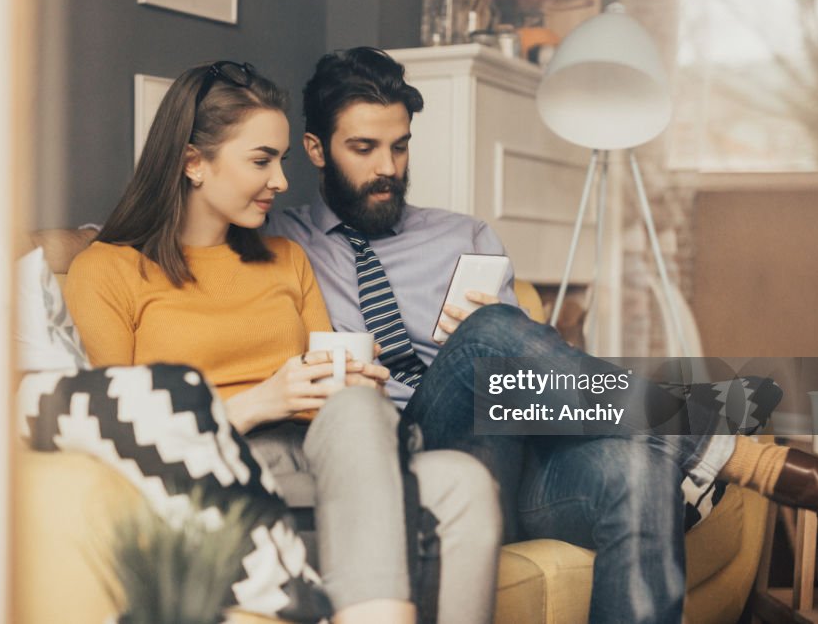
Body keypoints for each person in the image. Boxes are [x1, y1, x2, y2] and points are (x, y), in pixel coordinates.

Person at [265, 46, 818, 623]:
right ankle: (752, 459)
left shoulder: (464, 235)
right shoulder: (281, 245)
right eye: (364, 148)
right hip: (412, 455)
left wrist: (506, 332)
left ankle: (730, 452)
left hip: (507, 454)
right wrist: (485, 341)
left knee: (636, 469)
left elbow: (525, 388)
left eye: (400, 147)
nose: (388, 169)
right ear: (317, 150)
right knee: (487, 338)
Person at [64, 61, 501, 624]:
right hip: (220, 459)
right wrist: (261, 401)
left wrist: (347, 380)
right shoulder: (108, 271)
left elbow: (325, 381)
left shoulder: (286, 258)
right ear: (194, 163)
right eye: (261, 161)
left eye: (281, 160)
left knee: (462, 481)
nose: (281, 181)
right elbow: (116, 436)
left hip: (324, 453)